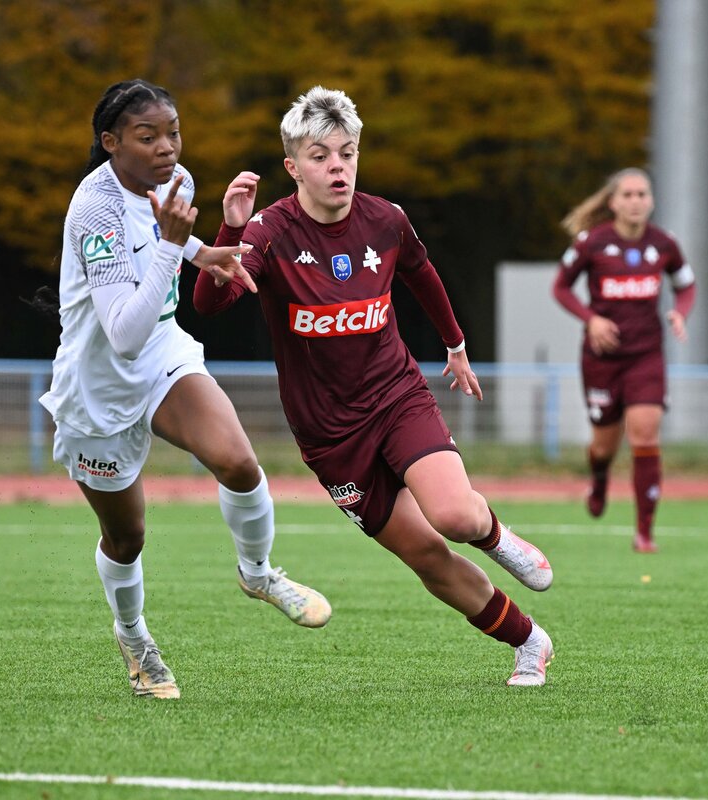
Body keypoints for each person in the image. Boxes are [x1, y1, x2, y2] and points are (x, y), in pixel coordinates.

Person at [194, 86, 556, 686]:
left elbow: (421, 272)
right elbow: (212, 303)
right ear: (293, 167)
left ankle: (496, 536)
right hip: (330, 436)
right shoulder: (268, 230)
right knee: (426, 555)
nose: (337, 167)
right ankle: (529, 641)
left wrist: (455, 344)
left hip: (396, 397)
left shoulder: (386, 219)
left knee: (454, 517)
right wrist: (228, 231)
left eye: (347, 153)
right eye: (320, 157)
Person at [37, 79, 331, 701]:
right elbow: (121, 335)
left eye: (173, 133)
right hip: (98, 387)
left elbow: (158, 243)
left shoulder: (178, 182)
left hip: (162, 353)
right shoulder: (93, 210)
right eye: (147, 137)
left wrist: (201, 251)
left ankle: (258, 574)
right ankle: (134, 638)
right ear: (111, 142)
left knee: (239, 462)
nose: (167, 148)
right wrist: (177, 246)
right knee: (128, 537)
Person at [552, 168, 696, 554]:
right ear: (613, 202)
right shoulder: (592, 242)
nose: (636, 201)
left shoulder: (665, 244)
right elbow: (561, 288)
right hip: (602, 359)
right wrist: (591, 319)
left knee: (645, 434)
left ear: (652, 201)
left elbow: (686, 286)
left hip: (646, 355)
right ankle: (599, 478)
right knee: (603, 446)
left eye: (642, 194)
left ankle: (644, 532)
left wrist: (681, 312)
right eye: (628, 195)